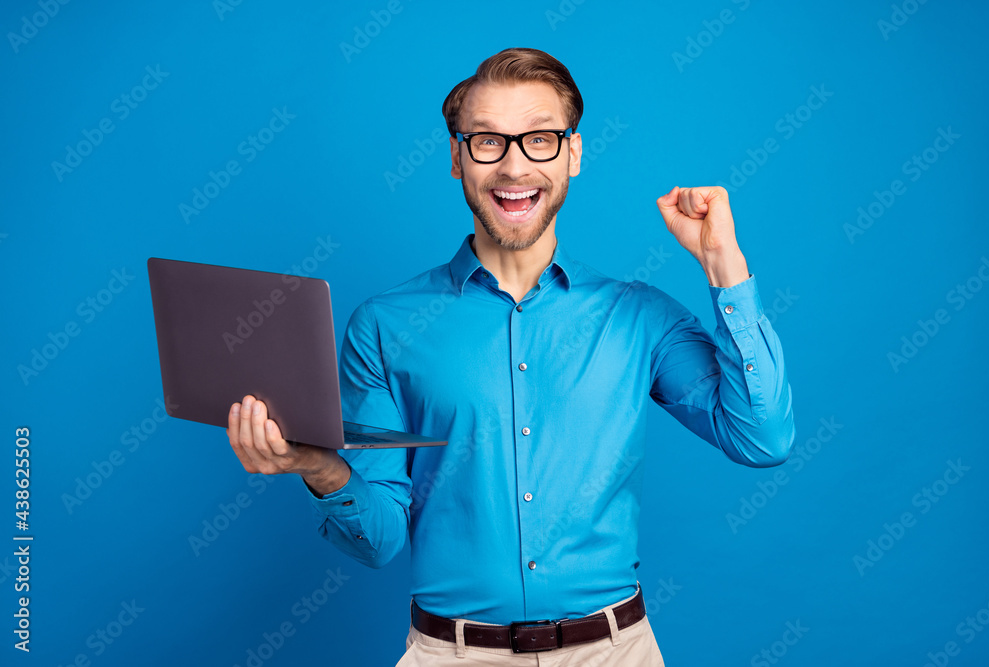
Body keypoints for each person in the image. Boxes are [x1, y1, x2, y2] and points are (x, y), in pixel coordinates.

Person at [226, 47, 795, 665]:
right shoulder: (385, 326)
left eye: (540, 139)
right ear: (457, 158)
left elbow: (762, 439)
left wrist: (723, 265)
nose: (514, 166)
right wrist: (318, 464)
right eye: (488, 142)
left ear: (573, 154)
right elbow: (380, 540)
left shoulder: (639, 317)